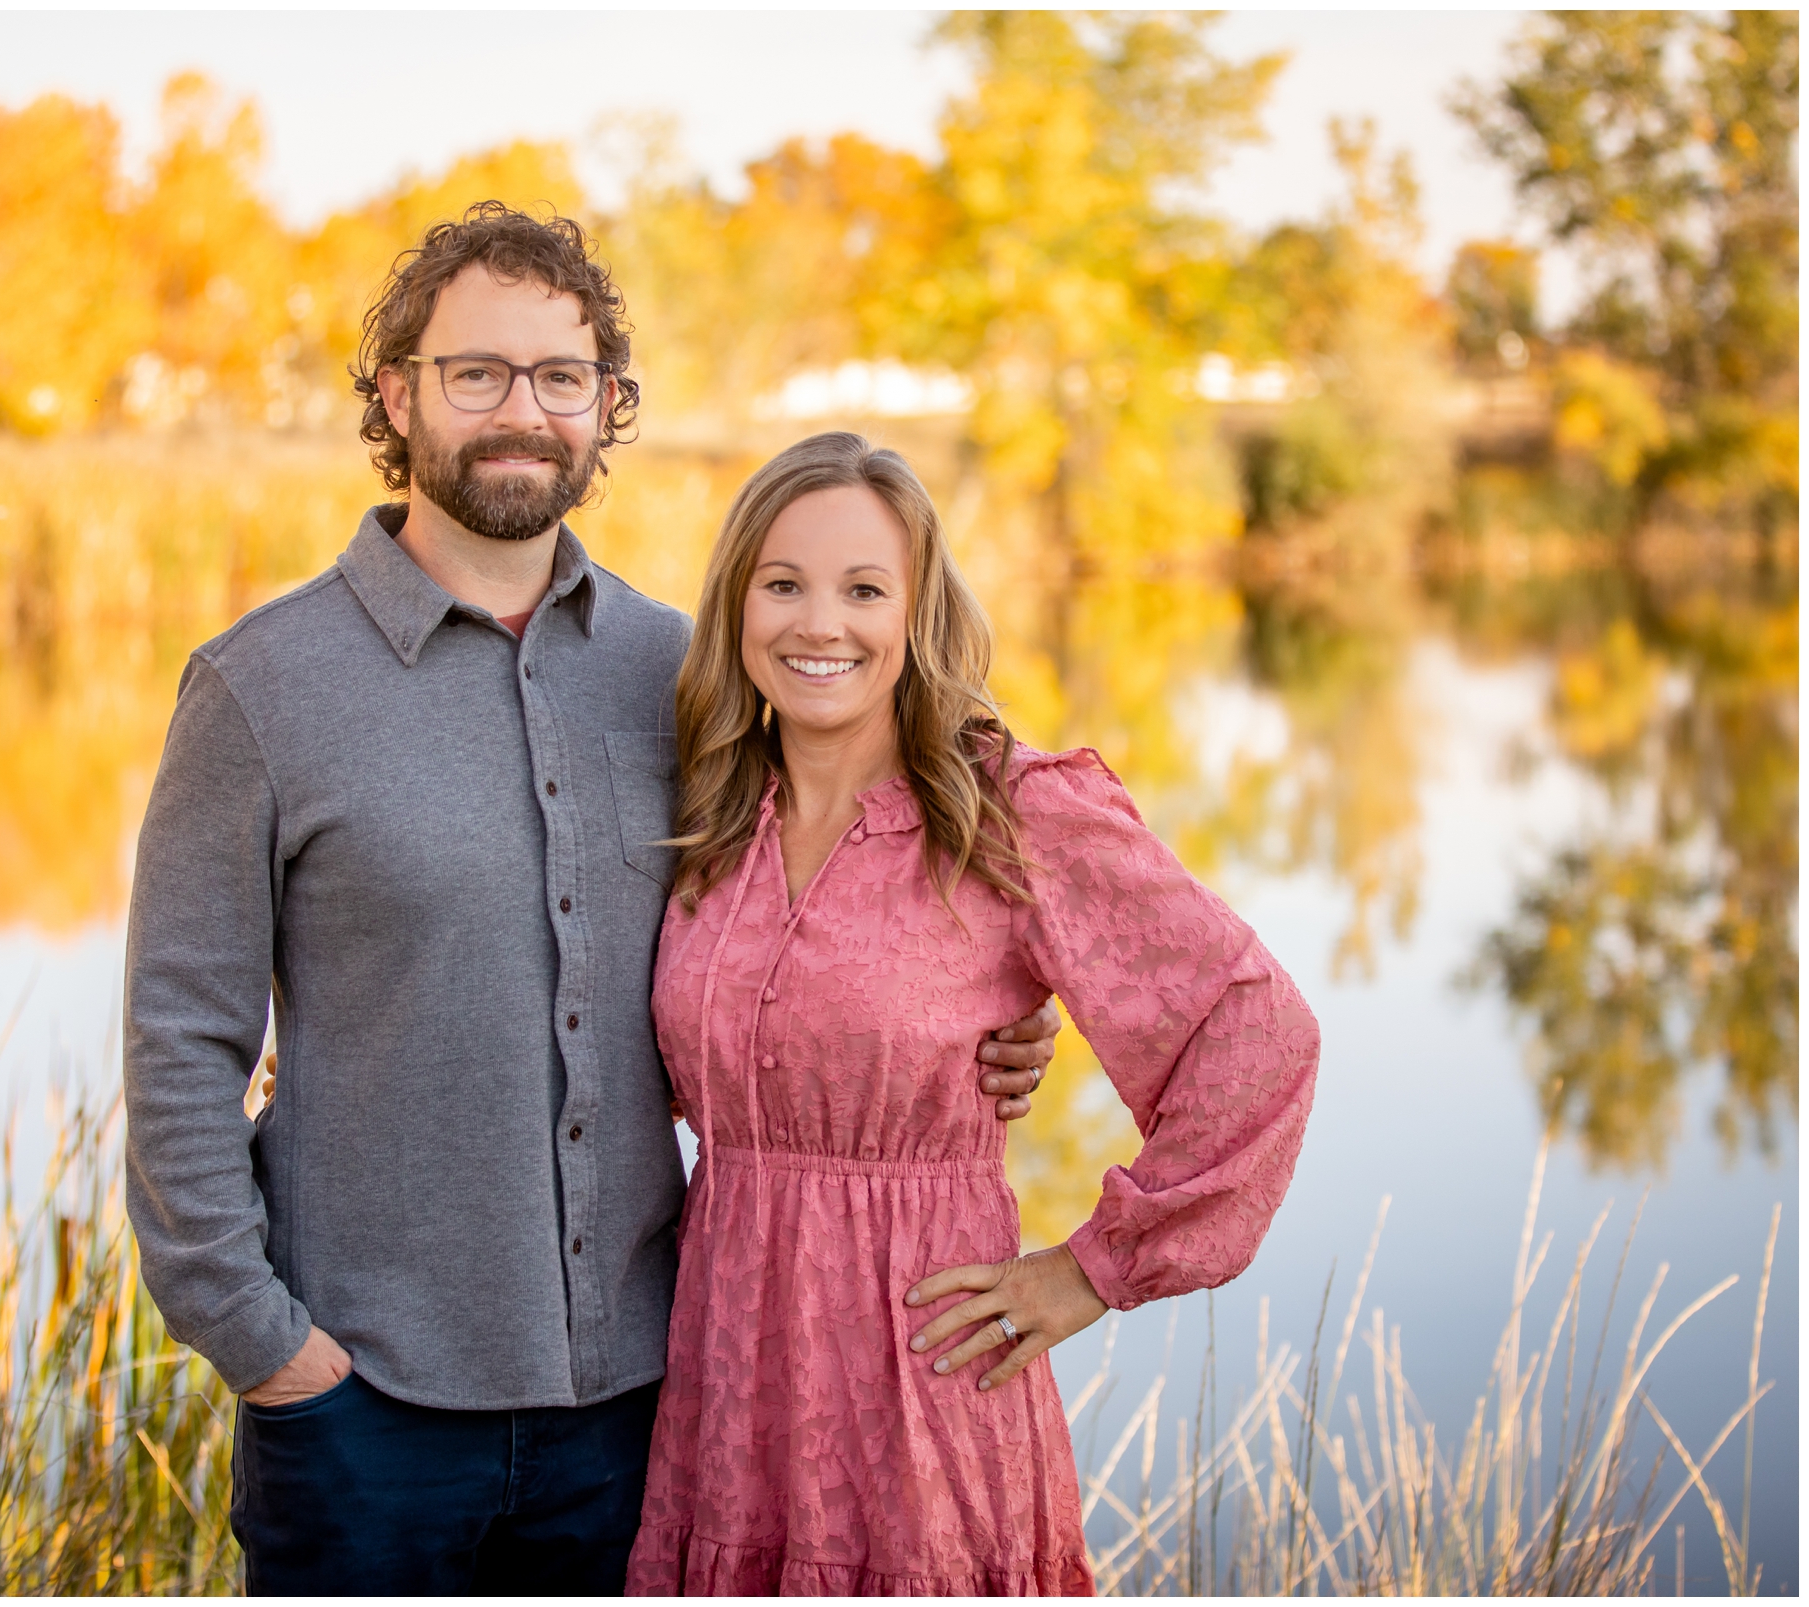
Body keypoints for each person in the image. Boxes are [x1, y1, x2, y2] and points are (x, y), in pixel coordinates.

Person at [121, 206, 1062, 1595]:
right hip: (362, 1411)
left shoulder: (685, 673)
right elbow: (178, 1043)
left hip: (647, 1402)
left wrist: (964, 1019)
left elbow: (819, 897)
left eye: (563, 376)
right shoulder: (262, 688)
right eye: (477, 372)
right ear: (397, 393)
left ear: (606, 406)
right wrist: (266, 1345)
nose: (524, 411)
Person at [626, 432, 1322, 1595]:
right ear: (737, 601)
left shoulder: (1004, 812)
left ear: (918, 612)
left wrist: (1094, 1268)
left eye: (863, 589)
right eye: (783, 583)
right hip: (729, 1371)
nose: (819, 624)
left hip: (921, 1371)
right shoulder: (711, 809)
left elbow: (1255, 1032)